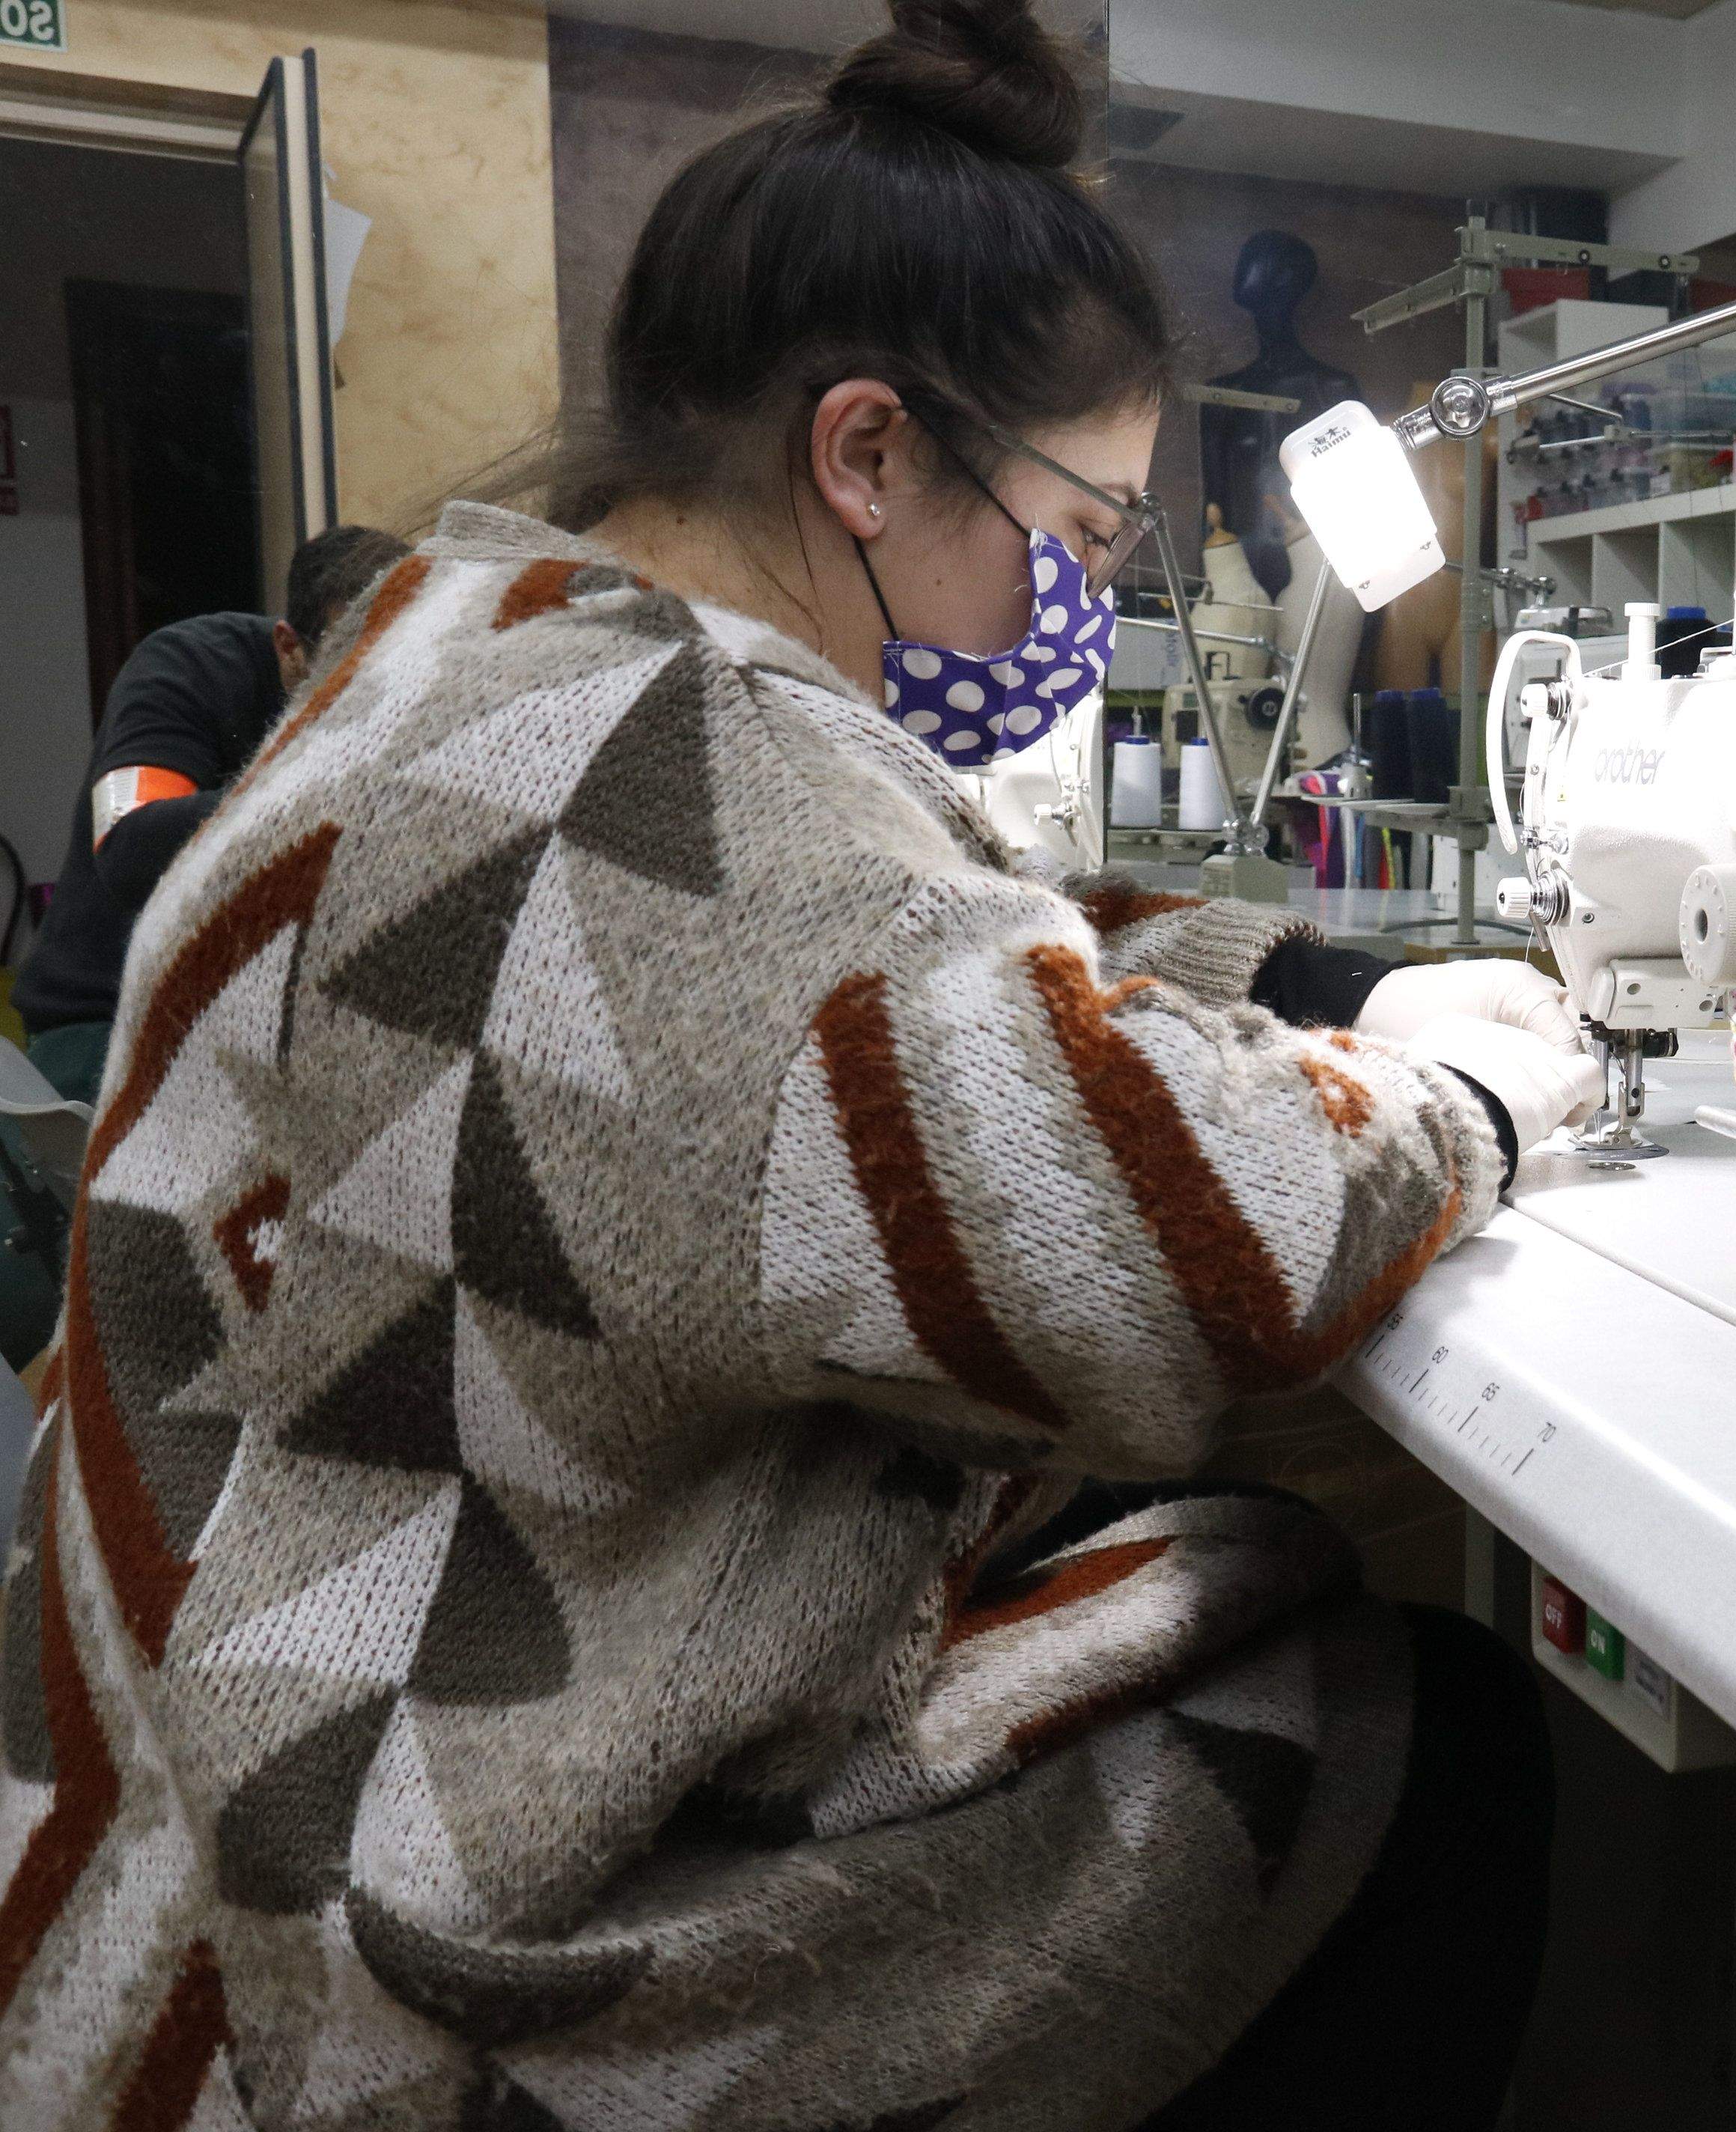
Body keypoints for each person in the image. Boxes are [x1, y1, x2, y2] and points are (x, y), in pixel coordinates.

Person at [0, 4, 1596, 2126]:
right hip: (375, 1952)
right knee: (1415, 1718)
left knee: (1156, 1555)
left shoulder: (462, 656)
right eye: (1090, 531)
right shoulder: (674, 763)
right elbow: (1173, 1237)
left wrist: (1335, 981)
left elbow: (890, 947)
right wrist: (1472, 1111)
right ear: (866, 453)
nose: (1074, 599)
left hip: (181, 1794)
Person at [0, 524, 409, 1371]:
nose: (367, 700)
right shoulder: (186, 668)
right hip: (108, 1026)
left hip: (257, 1039)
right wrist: (325, 780)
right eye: (344, 672)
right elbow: (135, 844)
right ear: (290, 648)